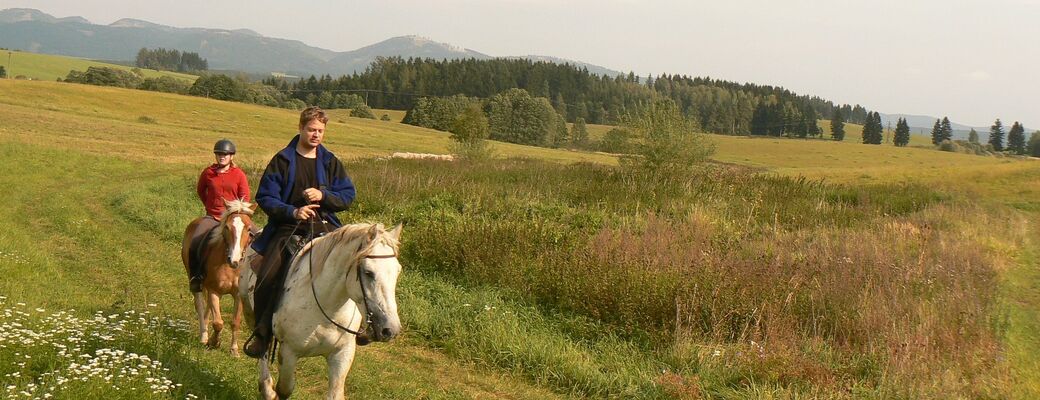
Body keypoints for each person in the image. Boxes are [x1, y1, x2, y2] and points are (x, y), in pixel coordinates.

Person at [244, 106, 357, 358]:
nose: (316, 135)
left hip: (325, 225)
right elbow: (265, 196)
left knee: (355, 264)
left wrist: (324, 195)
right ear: (300, 128)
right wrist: (292, 212)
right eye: (311, 129)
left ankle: (360, 325)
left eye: (320, 130)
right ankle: (262, 332)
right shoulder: (282, 160)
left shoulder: (329, 161)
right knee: (268, 272)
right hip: (286, 227)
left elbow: (349, 195)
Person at [187, 139, 251, 292]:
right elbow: (201, 191)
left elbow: (245, 197)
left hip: (234, 218)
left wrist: (236, 214)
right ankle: (197, 277)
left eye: (225, 154)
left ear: (231, 156)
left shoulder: (239, 174)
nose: (222, 156)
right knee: (196, 240)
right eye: (219, 154)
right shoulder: (208, 173)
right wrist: (210, 205)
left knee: (257, 237)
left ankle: (254, 277)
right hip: (213, 217)